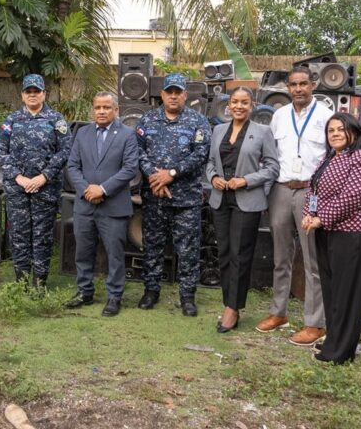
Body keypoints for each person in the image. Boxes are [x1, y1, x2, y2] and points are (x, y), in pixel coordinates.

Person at [257, 65, 333, 346]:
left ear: (313, 85)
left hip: (310, 192)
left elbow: (332, 156)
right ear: (287, 88)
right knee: (281, 256)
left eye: (303, 84)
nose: (298, 89)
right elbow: (271, 154)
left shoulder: (325, 116)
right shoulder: (279, 116)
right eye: (293, 85)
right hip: (281, 189)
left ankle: (315, 323)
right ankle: (279, 313)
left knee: (312, 259)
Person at [301, 113, 361, 364]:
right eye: (330, 130)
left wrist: (321, 218)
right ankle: (333, 342)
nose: (334, 134)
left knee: (347, 294)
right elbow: (313, 190)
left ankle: (341, 352)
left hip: (353, 234)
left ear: (353, 132)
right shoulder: (327, 159)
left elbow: (351, 198)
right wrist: (308, 213)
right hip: (327, 233)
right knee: (332, 291)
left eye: (340, 129)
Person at [136, 72, 211, 316]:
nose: (173, 96)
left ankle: (187, 296)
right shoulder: (147, 120)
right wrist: (154, 176)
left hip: (186, 199)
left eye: (178, 92)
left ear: (185, 95)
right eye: (169, 92)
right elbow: (137, 152)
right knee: (152, 245)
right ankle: (151, 290)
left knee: (188, 249)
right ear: (162, 94)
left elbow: (201, 154)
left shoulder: (198, 121)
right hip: (154, 196)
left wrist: (171, 174)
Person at [206, 87, 279, 332]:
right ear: (228, 105)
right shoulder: (218, 130)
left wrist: (246, 180)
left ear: (252, 105)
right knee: (224, 252)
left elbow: (272, 168)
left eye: (244, 102)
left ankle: (233, 308)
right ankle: (228, 302)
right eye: (235, 102)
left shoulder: (263, 132)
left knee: (240, 254)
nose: (239, 106)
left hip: (246, 200)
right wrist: (214, 177)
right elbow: (210, 162)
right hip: (221, 199)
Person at [64, 92, 138, 316]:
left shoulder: (127, 134)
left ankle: (114, 296)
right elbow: (72, 166)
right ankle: (84, 291)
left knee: (115, 254)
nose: (102, 111)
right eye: (98, 107)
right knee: (83, 251)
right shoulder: (82, 133)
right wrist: (87, 190)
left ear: (116, 110)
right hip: (85, 205)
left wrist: (102, 189)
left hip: (113, 206)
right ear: (93, 110)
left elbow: (130, 168)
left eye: (106, 107)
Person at [0, 74, 71, 290]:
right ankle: (21, 284)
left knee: (42, 236)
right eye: (28, 91)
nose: (32, 95)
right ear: (22, 95)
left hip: (45, 189)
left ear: (44, 94)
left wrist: (43, 177)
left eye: (36, 91)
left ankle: (40, 283)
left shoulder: (56, 120)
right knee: (19, 235)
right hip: (17, 189)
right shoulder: (11, 121)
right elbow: (0, 151)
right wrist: (18, 177)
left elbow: (65, 150)